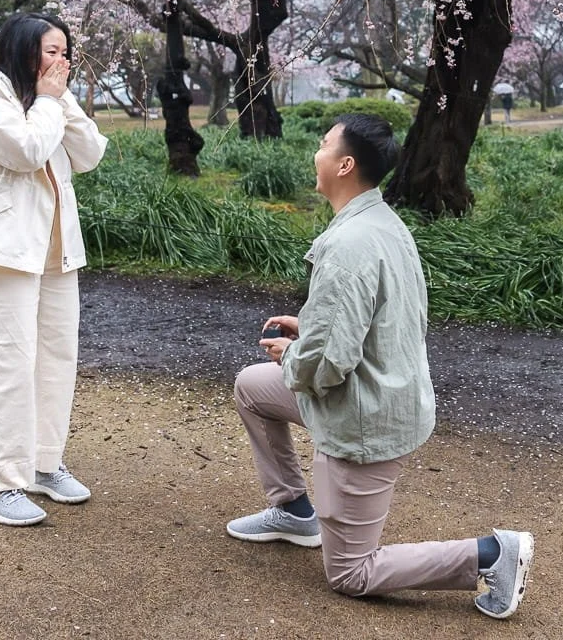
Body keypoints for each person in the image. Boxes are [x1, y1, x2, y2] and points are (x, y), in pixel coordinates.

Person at [225, 113, 534, 618]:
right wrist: (310, 333)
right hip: (382, 392)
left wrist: (296, 353)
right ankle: (295, 510)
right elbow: (378, 321)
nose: (315, 153)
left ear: (345, 164)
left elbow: (324, 367)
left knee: (350, 572)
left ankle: (491, 553)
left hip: (366, 419)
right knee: (253, 386)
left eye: (323, 145)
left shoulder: (348, 246)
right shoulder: (382, 222)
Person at [0, 12, 109, 527]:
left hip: (58, 243)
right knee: (12, 361)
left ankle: (43, 463)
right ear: (23, 49)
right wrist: (49, 102)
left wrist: (60, 102)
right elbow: (26, 151)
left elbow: (90, 153)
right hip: (7, 243)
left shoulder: (53, 97)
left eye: (65, 52)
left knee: (58, 354)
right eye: (52, 51)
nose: (62, 61)